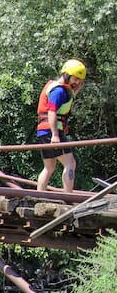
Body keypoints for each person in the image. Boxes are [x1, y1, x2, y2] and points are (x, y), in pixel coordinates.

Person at [36, 59, 87, 193]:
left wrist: (77, 90)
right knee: (70, 163)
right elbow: (52, 111)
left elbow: (65, 103)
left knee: (49, 167)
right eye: (75, 79)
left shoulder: (61, 89)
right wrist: (55, 135)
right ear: (67, 74)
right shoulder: (58, 91)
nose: (76, 82)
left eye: (79, 80)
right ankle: (68, 196)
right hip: (51, 131)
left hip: (43, 131)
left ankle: (38, 195)